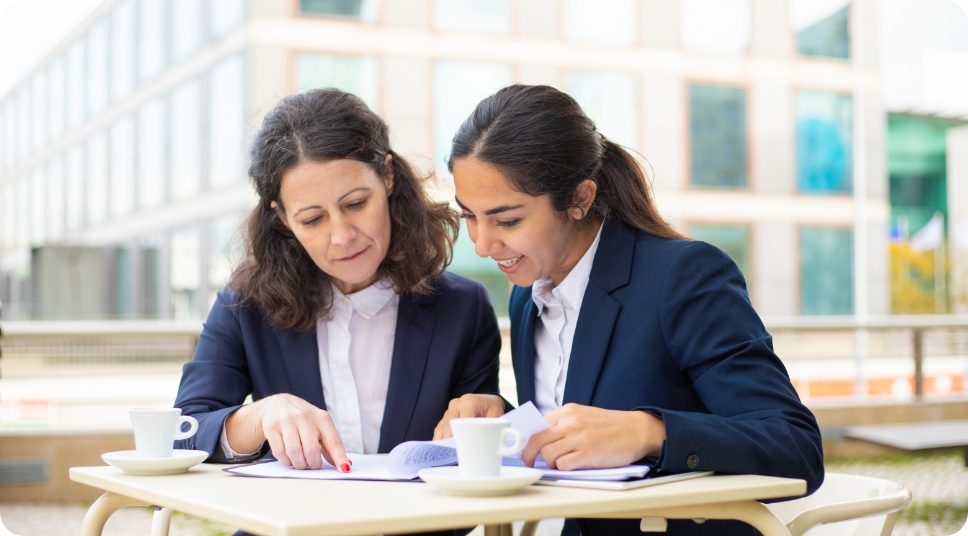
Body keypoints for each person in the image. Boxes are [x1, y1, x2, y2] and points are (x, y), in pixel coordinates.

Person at [433, 84, 824, 536]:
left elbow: (795, 446)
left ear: (579, 198)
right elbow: (580, 428)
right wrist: (503, 419)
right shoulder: (527, 296)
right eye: (469, 217)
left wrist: (649, 433)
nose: (482, 245)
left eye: (507, 221)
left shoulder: (682, 276)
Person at [173, 89, 502, 480]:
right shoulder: (246, 303)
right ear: (282, 219)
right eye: (313, 219)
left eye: (356, 204)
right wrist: (259, 417)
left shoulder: (464, 308)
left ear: (388, 177)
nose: (343, 237)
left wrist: (489, 419)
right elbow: (184, 434)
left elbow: (482, 450)